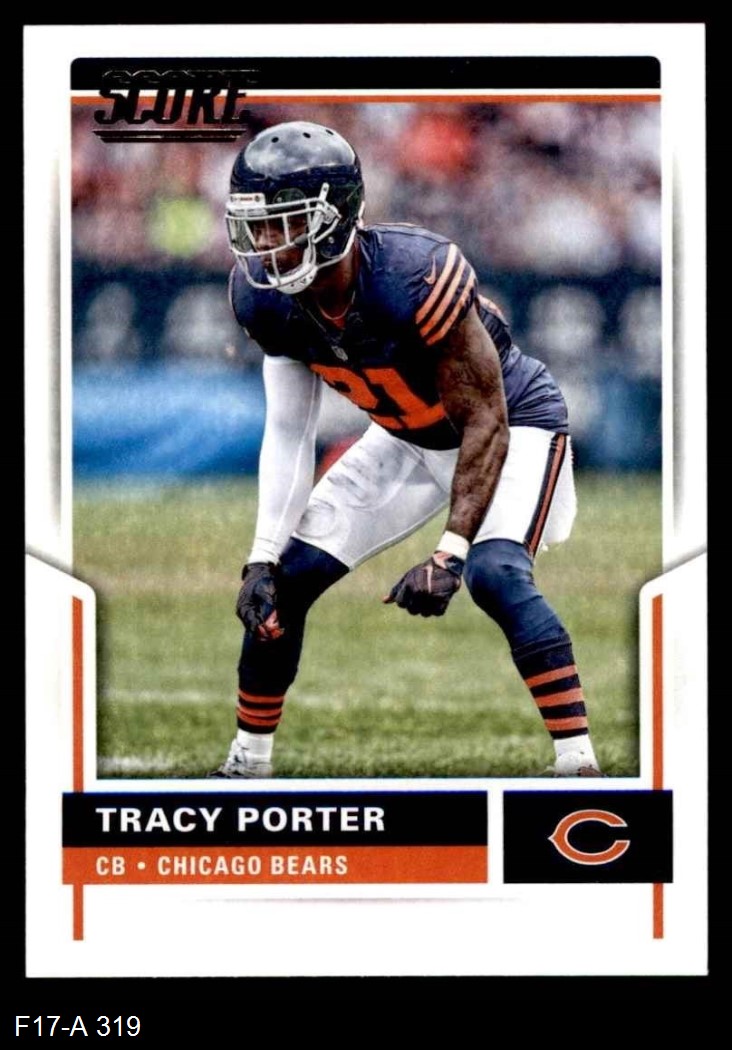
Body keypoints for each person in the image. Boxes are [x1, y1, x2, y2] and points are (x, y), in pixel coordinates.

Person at [210, 119, 602, 779]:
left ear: (335, 217)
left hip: (509, 426)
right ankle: (247, 766)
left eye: (283, 223)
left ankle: (578, 765)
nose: (267, 244)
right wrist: (259, 559)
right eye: (258, 226)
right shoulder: (264, 300)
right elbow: (289, 431)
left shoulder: (414, 276)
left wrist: (449, 552)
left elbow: (485, 419)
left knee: (494, 575)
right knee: (283, 585)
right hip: (403, 435)